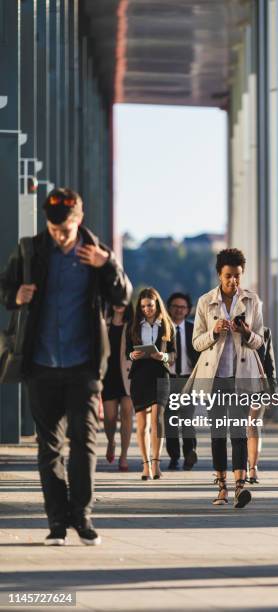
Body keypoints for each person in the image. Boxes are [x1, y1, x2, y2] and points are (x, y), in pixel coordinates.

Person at [0, 188, 132, 546]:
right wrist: (15, 297)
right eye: (54, 228)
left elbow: (123, 296)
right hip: (40, 364)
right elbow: (4, 287)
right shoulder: (30, 250)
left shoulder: (96, 254)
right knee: (49, 447)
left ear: (79, 219)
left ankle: (83, 516)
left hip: (84, 367)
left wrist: (108, 264)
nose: (60, 235)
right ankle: (57, 523)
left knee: (85, 444)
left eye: (66, 229)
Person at [186, 248, 265, 507]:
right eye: (229, 276)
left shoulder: (252, 301)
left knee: (238, 430)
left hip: (242, 375)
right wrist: (214, 332)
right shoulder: (205, 301)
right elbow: (196, 343)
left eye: (238, 276)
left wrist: (246, 332)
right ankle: (221, 487)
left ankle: (240, 487)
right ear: (219, 275)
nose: (234, 281)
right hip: (216, 375)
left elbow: (260, 341)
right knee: (218, 431)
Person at [127, 287, 176, 480]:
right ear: (140, 307)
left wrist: (161, 355)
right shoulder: (134, 326)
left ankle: (156, 464)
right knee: (142, 423)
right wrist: (133, 355)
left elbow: (173, 354)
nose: (147, 309)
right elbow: (126, 353)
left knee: (157, 419)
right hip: (140, 376)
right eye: (144, 306)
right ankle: (145, 465)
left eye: (151, 305)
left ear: (157, 305)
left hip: (160, 375)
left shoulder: (166, 325)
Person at [165, 292, 199, 470]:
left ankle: (189, 453)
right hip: (167, 379)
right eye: (175, 307)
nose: (179, 310)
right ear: (169, 308)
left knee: (187, 419)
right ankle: (174, 456)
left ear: (188, 310)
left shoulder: (194, 329)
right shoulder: (162, 329)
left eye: (183, 307)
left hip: (188, 379)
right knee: (170, 420)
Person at [102, 303, 134, 472]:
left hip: (127, 375)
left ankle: (124, 455)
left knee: (127, 413)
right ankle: (111, 441)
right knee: (110, 417)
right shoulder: (102, 322)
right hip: (108, 375)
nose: (118, 304)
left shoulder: (133, 325)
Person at [247, 326, 278, 484]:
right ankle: (239, 467)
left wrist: (273, 390)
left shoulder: (264, 331)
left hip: (258, 384)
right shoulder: (228, 328)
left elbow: (269, 363)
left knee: (253, 424)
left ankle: (253, 468)